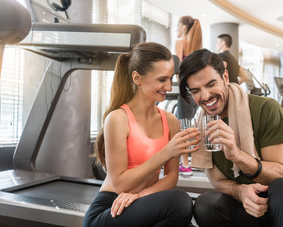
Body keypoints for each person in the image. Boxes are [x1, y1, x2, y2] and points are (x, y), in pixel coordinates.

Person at [178, 49, 283, 227]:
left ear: (225, 77)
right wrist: (240, 191)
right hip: (245, 202)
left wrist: (236, 154)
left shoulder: (266, 108)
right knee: (206, 204)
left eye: (211, 84)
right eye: (195, 91)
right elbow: (217, 181)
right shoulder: (201, 124)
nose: (205, 96)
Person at [83, 42, 200, 227]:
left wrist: (140, 196)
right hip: (112, 208)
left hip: (142, 202)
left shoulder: (169, 120)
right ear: (137, 78)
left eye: (171, 79)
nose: (169, 87)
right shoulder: (118, 118)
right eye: (162, 80)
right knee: (180, 202)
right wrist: (167, 152)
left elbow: (171, 177)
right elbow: (121, 184)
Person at [175, 15, 202, 176]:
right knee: (186, 124)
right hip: (195, 92)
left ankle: (185, 164)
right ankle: (185, 162)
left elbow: (178, 67)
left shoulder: (180, 43)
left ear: (184, 27)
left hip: (185, 90)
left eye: (178, 26)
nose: (177, 30)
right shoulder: (197, 46)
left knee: (183, 126)